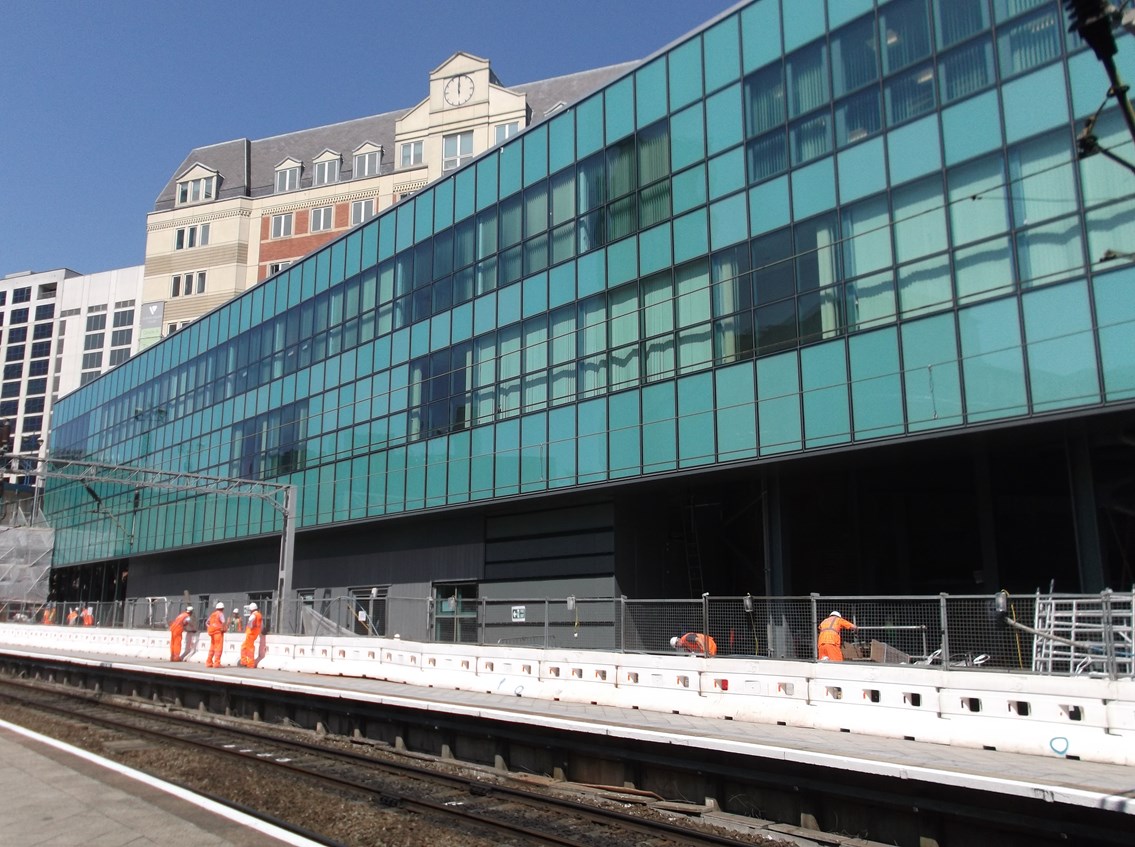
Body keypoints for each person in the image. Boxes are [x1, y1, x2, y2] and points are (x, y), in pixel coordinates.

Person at [239, 602, 263, 667]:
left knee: (249, 648)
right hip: (255, 633)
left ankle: (250, 663)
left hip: (250, 633)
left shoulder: (253, 615)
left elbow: (250, 621)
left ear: (251, 609)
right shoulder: (259, 615)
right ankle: (244, 661)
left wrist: (250, 626)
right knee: (244, 646)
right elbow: (261, 625)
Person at [206, 602, 226, 668]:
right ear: (222, 608)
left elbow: (207, 623)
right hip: (218, 633)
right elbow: (223, 622)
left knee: (212, 647)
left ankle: (208, 662)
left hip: (212, 633)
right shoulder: (220, 614)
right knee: (218, 648)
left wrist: (211, 627)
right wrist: (223, 629)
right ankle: (217, 663)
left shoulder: (213, 614)